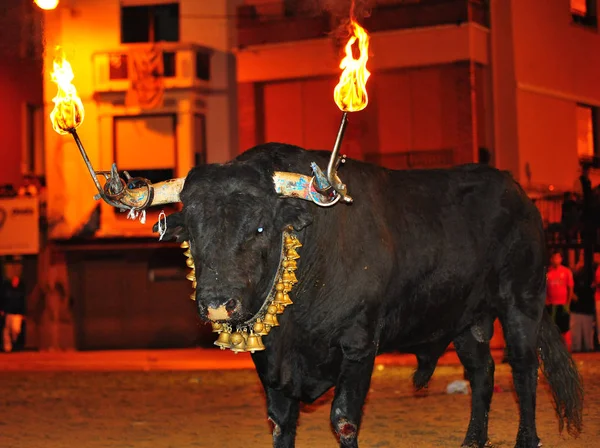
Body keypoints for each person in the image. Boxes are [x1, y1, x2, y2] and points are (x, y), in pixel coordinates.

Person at [546, 251, 574, 347]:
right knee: (552, 328)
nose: (556, 260)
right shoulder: (548, 273)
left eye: (558, 258)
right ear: (551, 259)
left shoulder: (566, 272)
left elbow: (570, 288)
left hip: (563, 305)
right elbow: (544, 289)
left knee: (565, 329)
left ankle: (566, 349)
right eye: (554, 258)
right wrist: (547, 301)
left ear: (561, 259)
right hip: (552, 305)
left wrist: (568, 303)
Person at [1, 258, 26, 353]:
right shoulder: (7, 290)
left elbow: (22, 302)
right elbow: (3, 299)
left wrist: (23, 313)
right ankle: (8, 347)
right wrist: (3, 309)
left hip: (17, 314)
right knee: (7, 330)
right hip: (9, 312)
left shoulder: (20, 291)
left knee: (16, 330)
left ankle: (15, 343)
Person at [570, 258, 595, 352]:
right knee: (576, 336)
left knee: (587, 336)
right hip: (577, 309)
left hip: (587, 308)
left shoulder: (591, 273)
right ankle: (578, 349)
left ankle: (588, 349)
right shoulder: (574, 275)